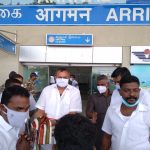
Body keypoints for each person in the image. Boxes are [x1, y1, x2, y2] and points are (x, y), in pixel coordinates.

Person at [35, 67, 82, 150]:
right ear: (55, 77)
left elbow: (73, 113)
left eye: (65, 77)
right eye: (60, 77)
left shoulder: (74, 91)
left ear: (69, 78)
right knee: (46, 148)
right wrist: (40, 123)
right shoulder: (47, 90)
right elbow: (40, 110)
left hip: (66, 128)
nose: (62, 79)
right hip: (46, 127)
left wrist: (56, 122)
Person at [101, 75, 150, 150]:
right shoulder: (111, 110)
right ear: (120, 92)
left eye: (135, 90)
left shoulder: (147, 112)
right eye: (127, 90)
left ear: (139, 91)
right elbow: (107, 137)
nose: (132, 94)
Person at [0, 85, 32, 150]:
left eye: (27, 109)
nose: (24, 113)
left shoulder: (19, 125)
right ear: (3, 108)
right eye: (19, 109)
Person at [86, 75, 111, 150]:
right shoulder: (93, 97)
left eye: (102, 85)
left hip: (113, 128)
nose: (100, 86)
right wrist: (92, 115)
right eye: (98, 85)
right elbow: (88, 112)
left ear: (108, 85)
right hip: (100, 128)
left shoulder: (115, 96)